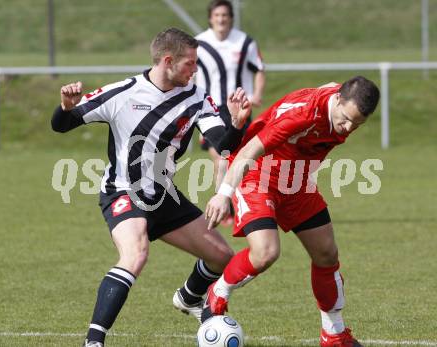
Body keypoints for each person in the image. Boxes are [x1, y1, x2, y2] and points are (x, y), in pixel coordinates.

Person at [51, 27, 252, 347]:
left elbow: (222, 143)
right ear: (168, 61)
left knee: (222, 257)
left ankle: (188, 298)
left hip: (163, 197)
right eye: (190, 63)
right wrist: (65, 106)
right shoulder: (123, 93)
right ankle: (93, 342)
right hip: (123, 192)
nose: (195, 69)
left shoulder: (196, 96)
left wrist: (237, 124)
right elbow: (62, 125)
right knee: (136, 254)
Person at [203, 76, 380, 347]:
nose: (347, 128)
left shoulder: (342, 102)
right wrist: (222, 195)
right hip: (258, 175)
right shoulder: (303, 115)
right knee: (266, 253)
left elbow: (329, 86)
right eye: (345, 118)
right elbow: (248, 151)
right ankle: (218, 291)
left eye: (357, 124)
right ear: (338, 99)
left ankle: (333, 334)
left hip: (296, 182)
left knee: (326, 253)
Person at [195, 0, 266, 225]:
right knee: (221, 159)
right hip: (212, 108)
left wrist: (256, 94)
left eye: (225, 15)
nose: (221, 19)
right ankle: (224, 208)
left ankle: (237, 206)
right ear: (210, 18)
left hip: (240, 108)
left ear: (231, 18)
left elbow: (259, 70)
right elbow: (192, 77)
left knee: (242, 160)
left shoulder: (244, 42)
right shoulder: (199, 43)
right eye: (217, 15)